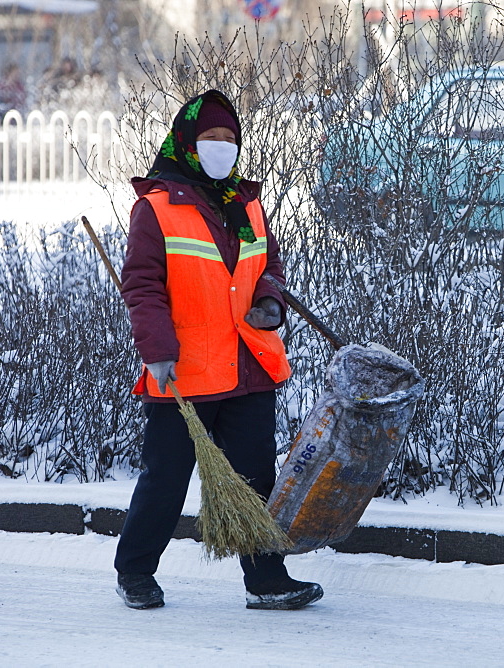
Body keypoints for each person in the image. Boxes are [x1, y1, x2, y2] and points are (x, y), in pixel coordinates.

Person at [114, 89, 322, 611]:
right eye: (210, 137)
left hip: (249, 366)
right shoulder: (156, 208)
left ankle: (267, 580)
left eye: (229, 138)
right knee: (166, 477)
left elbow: (267, 268)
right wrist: (156, 350)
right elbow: (142, 285)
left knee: (256, 480)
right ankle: (135, 572)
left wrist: (270, 305)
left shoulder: (246, 203)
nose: (221, 147)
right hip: (184, 369)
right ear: (187, 142)